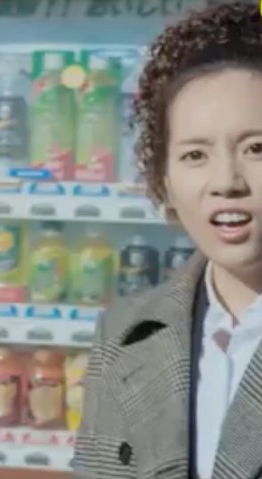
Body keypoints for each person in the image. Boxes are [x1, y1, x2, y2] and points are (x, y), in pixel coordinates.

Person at [73, 2, 262, 478]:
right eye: (195, 155)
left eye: (256, 148)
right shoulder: (127, 334)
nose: (226, 182)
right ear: (165, 182)